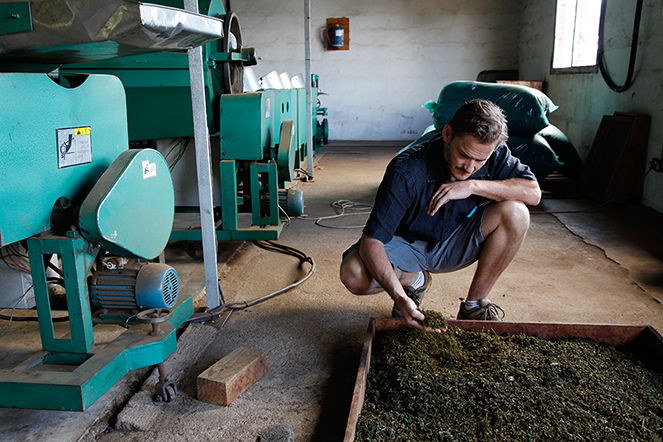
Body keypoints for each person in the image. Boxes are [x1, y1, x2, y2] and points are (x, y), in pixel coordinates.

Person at [340, 99, 541, 330]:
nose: (469, 167)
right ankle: (414, 281)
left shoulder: (493, 155)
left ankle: (473, 306)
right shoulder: (405, 170)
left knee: (517, 213)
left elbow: (533, 193)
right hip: (407, 245)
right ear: (447, 134)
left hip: (455, 240)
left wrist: (473, 186)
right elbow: (372, 241)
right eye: (464, 155)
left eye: (480, 161)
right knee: (353, 274)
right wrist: (398, 296)